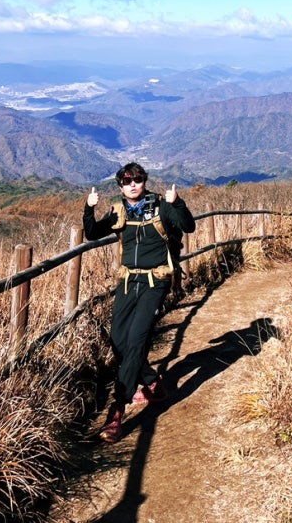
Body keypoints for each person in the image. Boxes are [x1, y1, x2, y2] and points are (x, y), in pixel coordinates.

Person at [83, 161, 196, 443]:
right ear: (120, 185)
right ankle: (153, 383)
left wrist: (177, 202)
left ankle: (117, 409)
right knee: (118, 338)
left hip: (155, 281)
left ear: (145, 181)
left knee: (135, 340)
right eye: (126, 180)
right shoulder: (119, 211)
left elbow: (188, 226)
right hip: (127, 280)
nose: (132, 184)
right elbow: (92, 233)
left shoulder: (160, 206)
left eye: (137, 179)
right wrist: (89, 208)